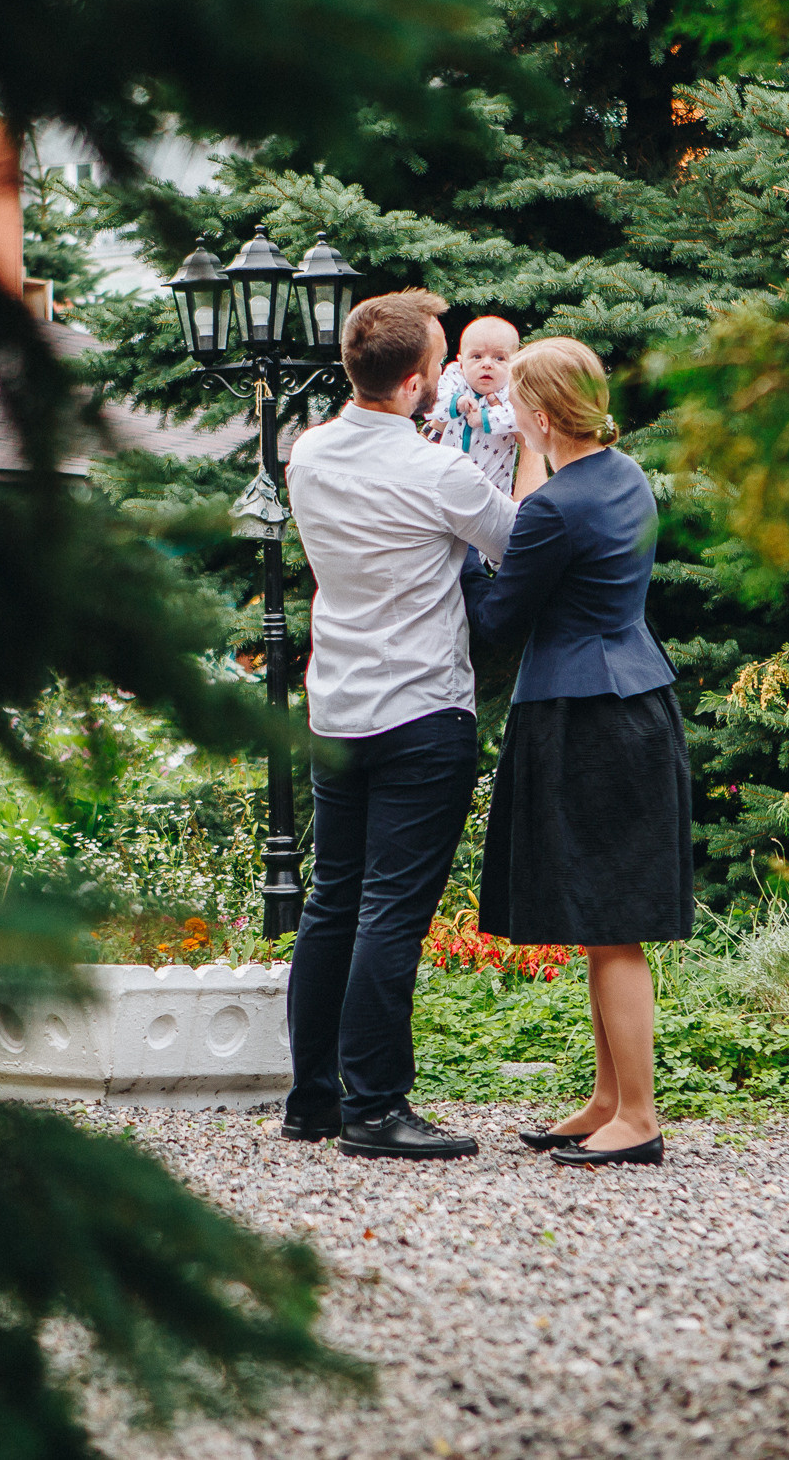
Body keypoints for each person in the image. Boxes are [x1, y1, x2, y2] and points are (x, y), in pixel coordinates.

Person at [281, 289, 518, 1160]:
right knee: (389, 910)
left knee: (331, 900)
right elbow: (514, 541)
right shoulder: (436, 471)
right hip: (422, 709)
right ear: (420, 380)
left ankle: (312, 1099)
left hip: (336, 705)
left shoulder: (306, 454)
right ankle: (375, 1107)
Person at [462, 336, 693, 1167]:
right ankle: (608, 1098)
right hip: (636, 698)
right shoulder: (622, 476)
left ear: (545, 413)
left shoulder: (556, 508)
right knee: (606, 925)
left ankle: (638, 1116)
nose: (509, 413)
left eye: (518, 402)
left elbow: (496, 623)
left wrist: (452, 548)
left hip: (584, 714)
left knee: (612, 922)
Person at [424, 316, 536, 498]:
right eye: (476, 357)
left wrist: (486, 418)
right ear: (461, 363)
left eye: (499, 358)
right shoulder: (455, 377)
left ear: (513, 365)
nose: (487, 364)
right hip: (446, 481)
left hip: (493, 486)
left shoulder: (512, 388)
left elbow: (522, 417)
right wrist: (458, 403)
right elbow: (432, 404)